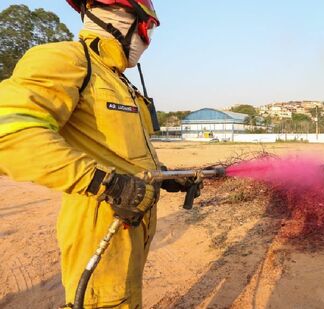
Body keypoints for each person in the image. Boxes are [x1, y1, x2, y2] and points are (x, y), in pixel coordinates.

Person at [0, 0, 190, 307]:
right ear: (119, 18)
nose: (147, 42)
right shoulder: (67, 60)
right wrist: (108, 184)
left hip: (130, 220)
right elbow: (9, 132)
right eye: (146, 29)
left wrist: (165, 176)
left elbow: (121, 153)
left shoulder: (117, 81)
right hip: (100, 219)